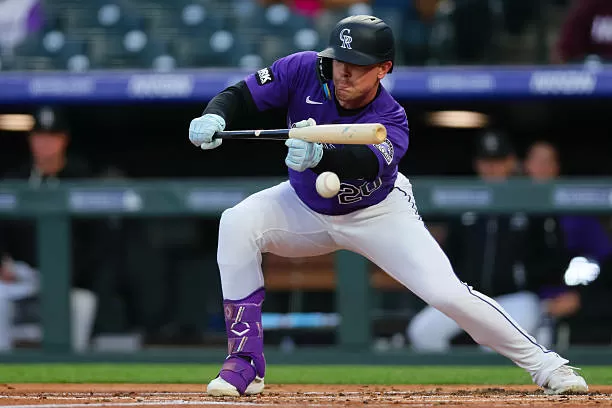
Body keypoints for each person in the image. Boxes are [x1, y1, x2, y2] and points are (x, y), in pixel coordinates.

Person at [188, 15, 588, 396]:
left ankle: (547, 365)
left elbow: (364, 163)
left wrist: (321, 155)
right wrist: (214, 116)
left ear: (383, 69)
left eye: (358, 66)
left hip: (377, 212)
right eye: (340, 62)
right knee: (236, 223)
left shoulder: (391, 117)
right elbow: (241, 94)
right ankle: (245, 361)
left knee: (448, 295)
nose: (344, 73)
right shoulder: (302, 69)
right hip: (304, 206)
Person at [406, 131, 570, 352]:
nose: (492, 168)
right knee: (422, 332)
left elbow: (552, 257)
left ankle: (535, 334)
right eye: (486, 161)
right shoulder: (464, 202)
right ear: (477, 163)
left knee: (495, 344)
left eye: (498, 161)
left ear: (511, 162)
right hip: (469, 295)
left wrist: (537, 287)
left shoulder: (528, 199)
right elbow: (450, 254)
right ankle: (458, 375)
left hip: (516, 297)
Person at [0, 106, 100, 352]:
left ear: (63, 139)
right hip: (21, 277)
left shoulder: (82, 179)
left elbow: (95, 242)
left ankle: (72, 367)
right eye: (39, 136)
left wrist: (66, 275)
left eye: (51, 137)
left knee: (84, 302)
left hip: (67, 279)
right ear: (30, 139)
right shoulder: (15, 180)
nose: (45, 144)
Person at [524, 141, 612, 343]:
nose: (541, 168)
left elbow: (605, 262)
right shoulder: (512, 210)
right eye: (536, 161)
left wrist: (580, 297)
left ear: (557, 167)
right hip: (525, 302)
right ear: (526, 165)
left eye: (547, 161)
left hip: (567, 299)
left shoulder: (575, 212)